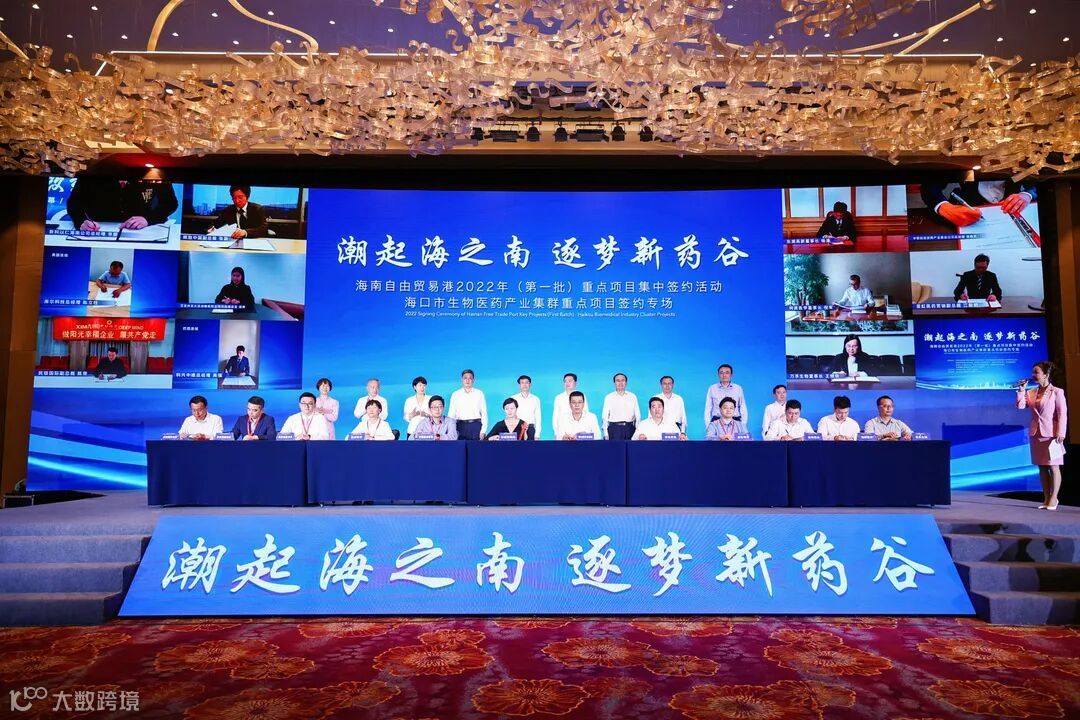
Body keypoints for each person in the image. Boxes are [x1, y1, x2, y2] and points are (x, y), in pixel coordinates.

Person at [1017, 362, 1068, 510]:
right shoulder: (1031, 392)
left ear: (1046, 374)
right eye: (1033, 372)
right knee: (1042, 467)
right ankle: (1046, 498)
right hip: (1036, 433)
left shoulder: (1057, 392)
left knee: (1053, 466)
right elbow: (1020, 406)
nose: (1033, 375)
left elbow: (1062, 413)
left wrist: (1061, 432)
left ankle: (1054, 498)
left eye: (1036, 372)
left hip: (1052, 434)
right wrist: (1021, 390)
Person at [66, 177, 179, 231]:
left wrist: (148, 219)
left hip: (142, 229)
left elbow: (170, 203)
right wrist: (80, 221)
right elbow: (73, 203)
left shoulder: (154, 172)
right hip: (99, 227)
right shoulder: (93, 171)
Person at [921, 181, 1036, 228]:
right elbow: (929, 184)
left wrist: (1028, 194)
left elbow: (1040, 182)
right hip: (966, 211)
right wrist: (943, 207)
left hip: (1012, 216)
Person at [448, 369, 488, 440]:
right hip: (460, 426)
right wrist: (451, 430)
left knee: (476, 446)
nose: (467, 380)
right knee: (460, 447)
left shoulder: (479, 393)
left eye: (470, 378)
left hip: (475, 426)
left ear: (473, 380)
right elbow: (451, 414)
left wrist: (483, 431)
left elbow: (484, 413)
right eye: (465, 378)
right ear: (462, 380)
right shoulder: (455, 394)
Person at [602, 372, 640, 440]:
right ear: (614, 383)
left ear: (626, 383)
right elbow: (605, 416)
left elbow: (638, 415)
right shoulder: (609, 397)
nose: (620, 383)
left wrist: (637, 431)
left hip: (629, 428)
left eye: (623, 380)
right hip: (614, 429)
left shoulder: (632, 396)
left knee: (630, 447)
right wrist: (605, 432)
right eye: (618, 381)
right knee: (613, 447)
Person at [552, 372, 589, 439]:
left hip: (579, 431)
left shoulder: (581, 395)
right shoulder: (559, 398)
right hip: (564, 432)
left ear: (575, 383)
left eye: (570, 381)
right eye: (565, 381)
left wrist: (583, 433)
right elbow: (555, 416)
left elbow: (586, 413)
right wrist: (556, 433)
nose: (567, 383)